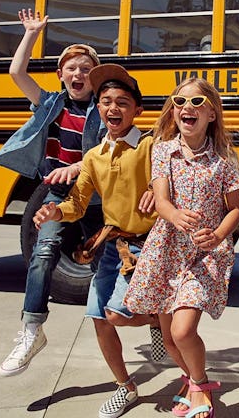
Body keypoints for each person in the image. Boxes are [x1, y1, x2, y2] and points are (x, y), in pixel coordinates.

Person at [33, 63, 160, 418]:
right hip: (112, 247)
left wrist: (154, 189)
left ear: (137, 110)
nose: (113, 108)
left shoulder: (150, 146)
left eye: (122, 102)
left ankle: (156, 321)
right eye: (106, 101)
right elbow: (77, 201)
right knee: (98, 318)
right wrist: (56, 212)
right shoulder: (94, 156)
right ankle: (126, 387)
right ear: (98, 108)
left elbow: (165, 181)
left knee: (116, 315)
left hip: (148, 244)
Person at [0, 8, 106, 377]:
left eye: (86, 69)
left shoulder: (103, 111)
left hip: (97, 199)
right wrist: (31, 33)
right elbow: (15, 73)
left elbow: (109, 153)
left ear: (96, 78)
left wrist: (78, 167)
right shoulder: (50, 104)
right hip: (58, 195)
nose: (78, 74)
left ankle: (153, 319)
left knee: (125, 259)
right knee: (43, 252)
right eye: (71, 68)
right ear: (61, 75)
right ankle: (31, 330)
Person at [123, 77, 239, 418]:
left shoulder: (224, 160)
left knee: (183, 329)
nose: (187, 108)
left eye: (196, 103)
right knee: (171, 340)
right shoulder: (163, 150)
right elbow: (160, 200)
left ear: (212, 114)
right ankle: (190, 380)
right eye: (179, 102)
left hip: (205, 255)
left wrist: (219, 234)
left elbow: (236, 209)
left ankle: (201, 388)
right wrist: (173, 213)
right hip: (166, 251)